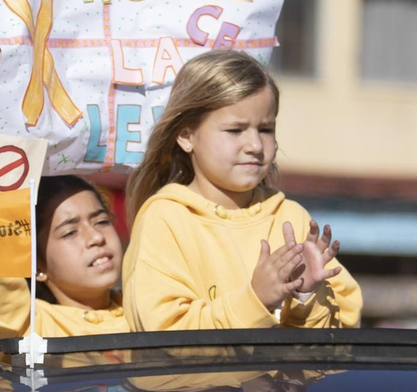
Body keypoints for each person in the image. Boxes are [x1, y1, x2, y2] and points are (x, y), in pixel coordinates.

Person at [121, 49, 362, 332]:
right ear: (186, 136)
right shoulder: (165, 218)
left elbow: (337, 342)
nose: (256, 146)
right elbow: (163, 335)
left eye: (265, 129)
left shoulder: (290, 218)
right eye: (235, 130)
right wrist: (255, 300)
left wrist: (306, 295)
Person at [0, 39, 128, 348]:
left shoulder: (154, 315)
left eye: (100, 221)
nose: (95, 238)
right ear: (37, 265)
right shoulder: (20, 332)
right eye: (69, 232)